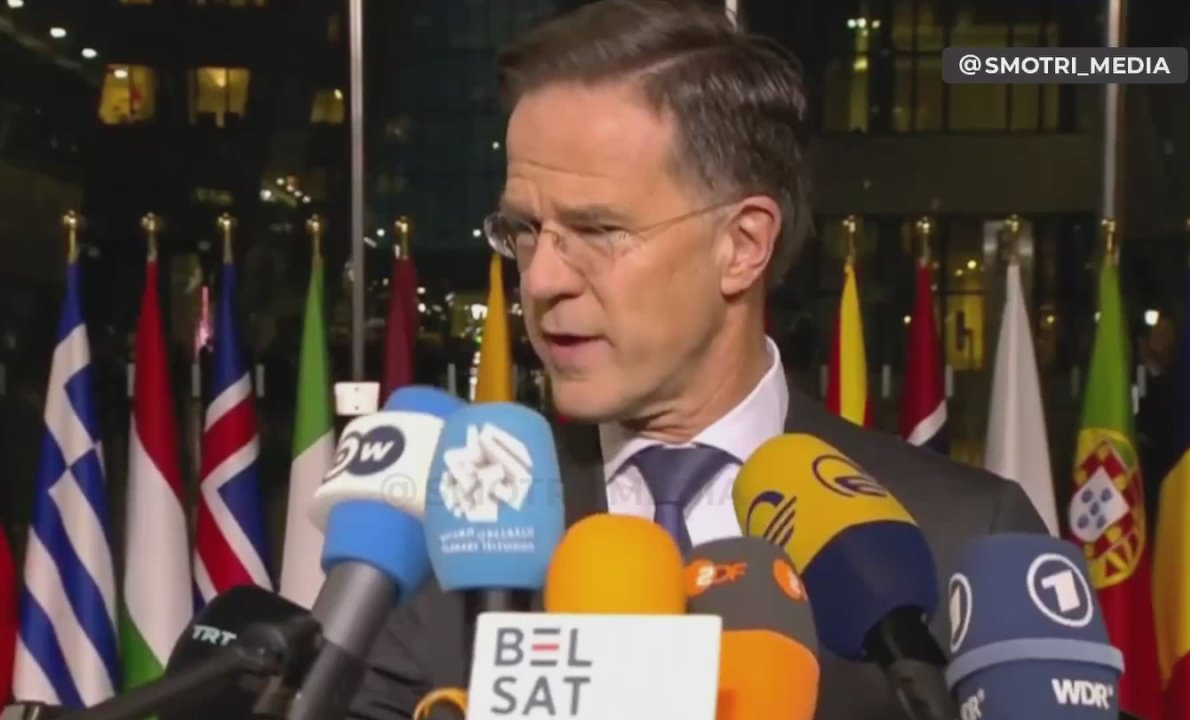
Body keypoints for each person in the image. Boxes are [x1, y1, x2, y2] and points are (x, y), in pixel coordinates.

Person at [347, 2, 1046, 718]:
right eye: (525, 229)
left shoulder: (965, 537)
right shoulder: (451, 532)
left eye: (598, 228)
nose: (542, 279)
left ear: (742, 245)